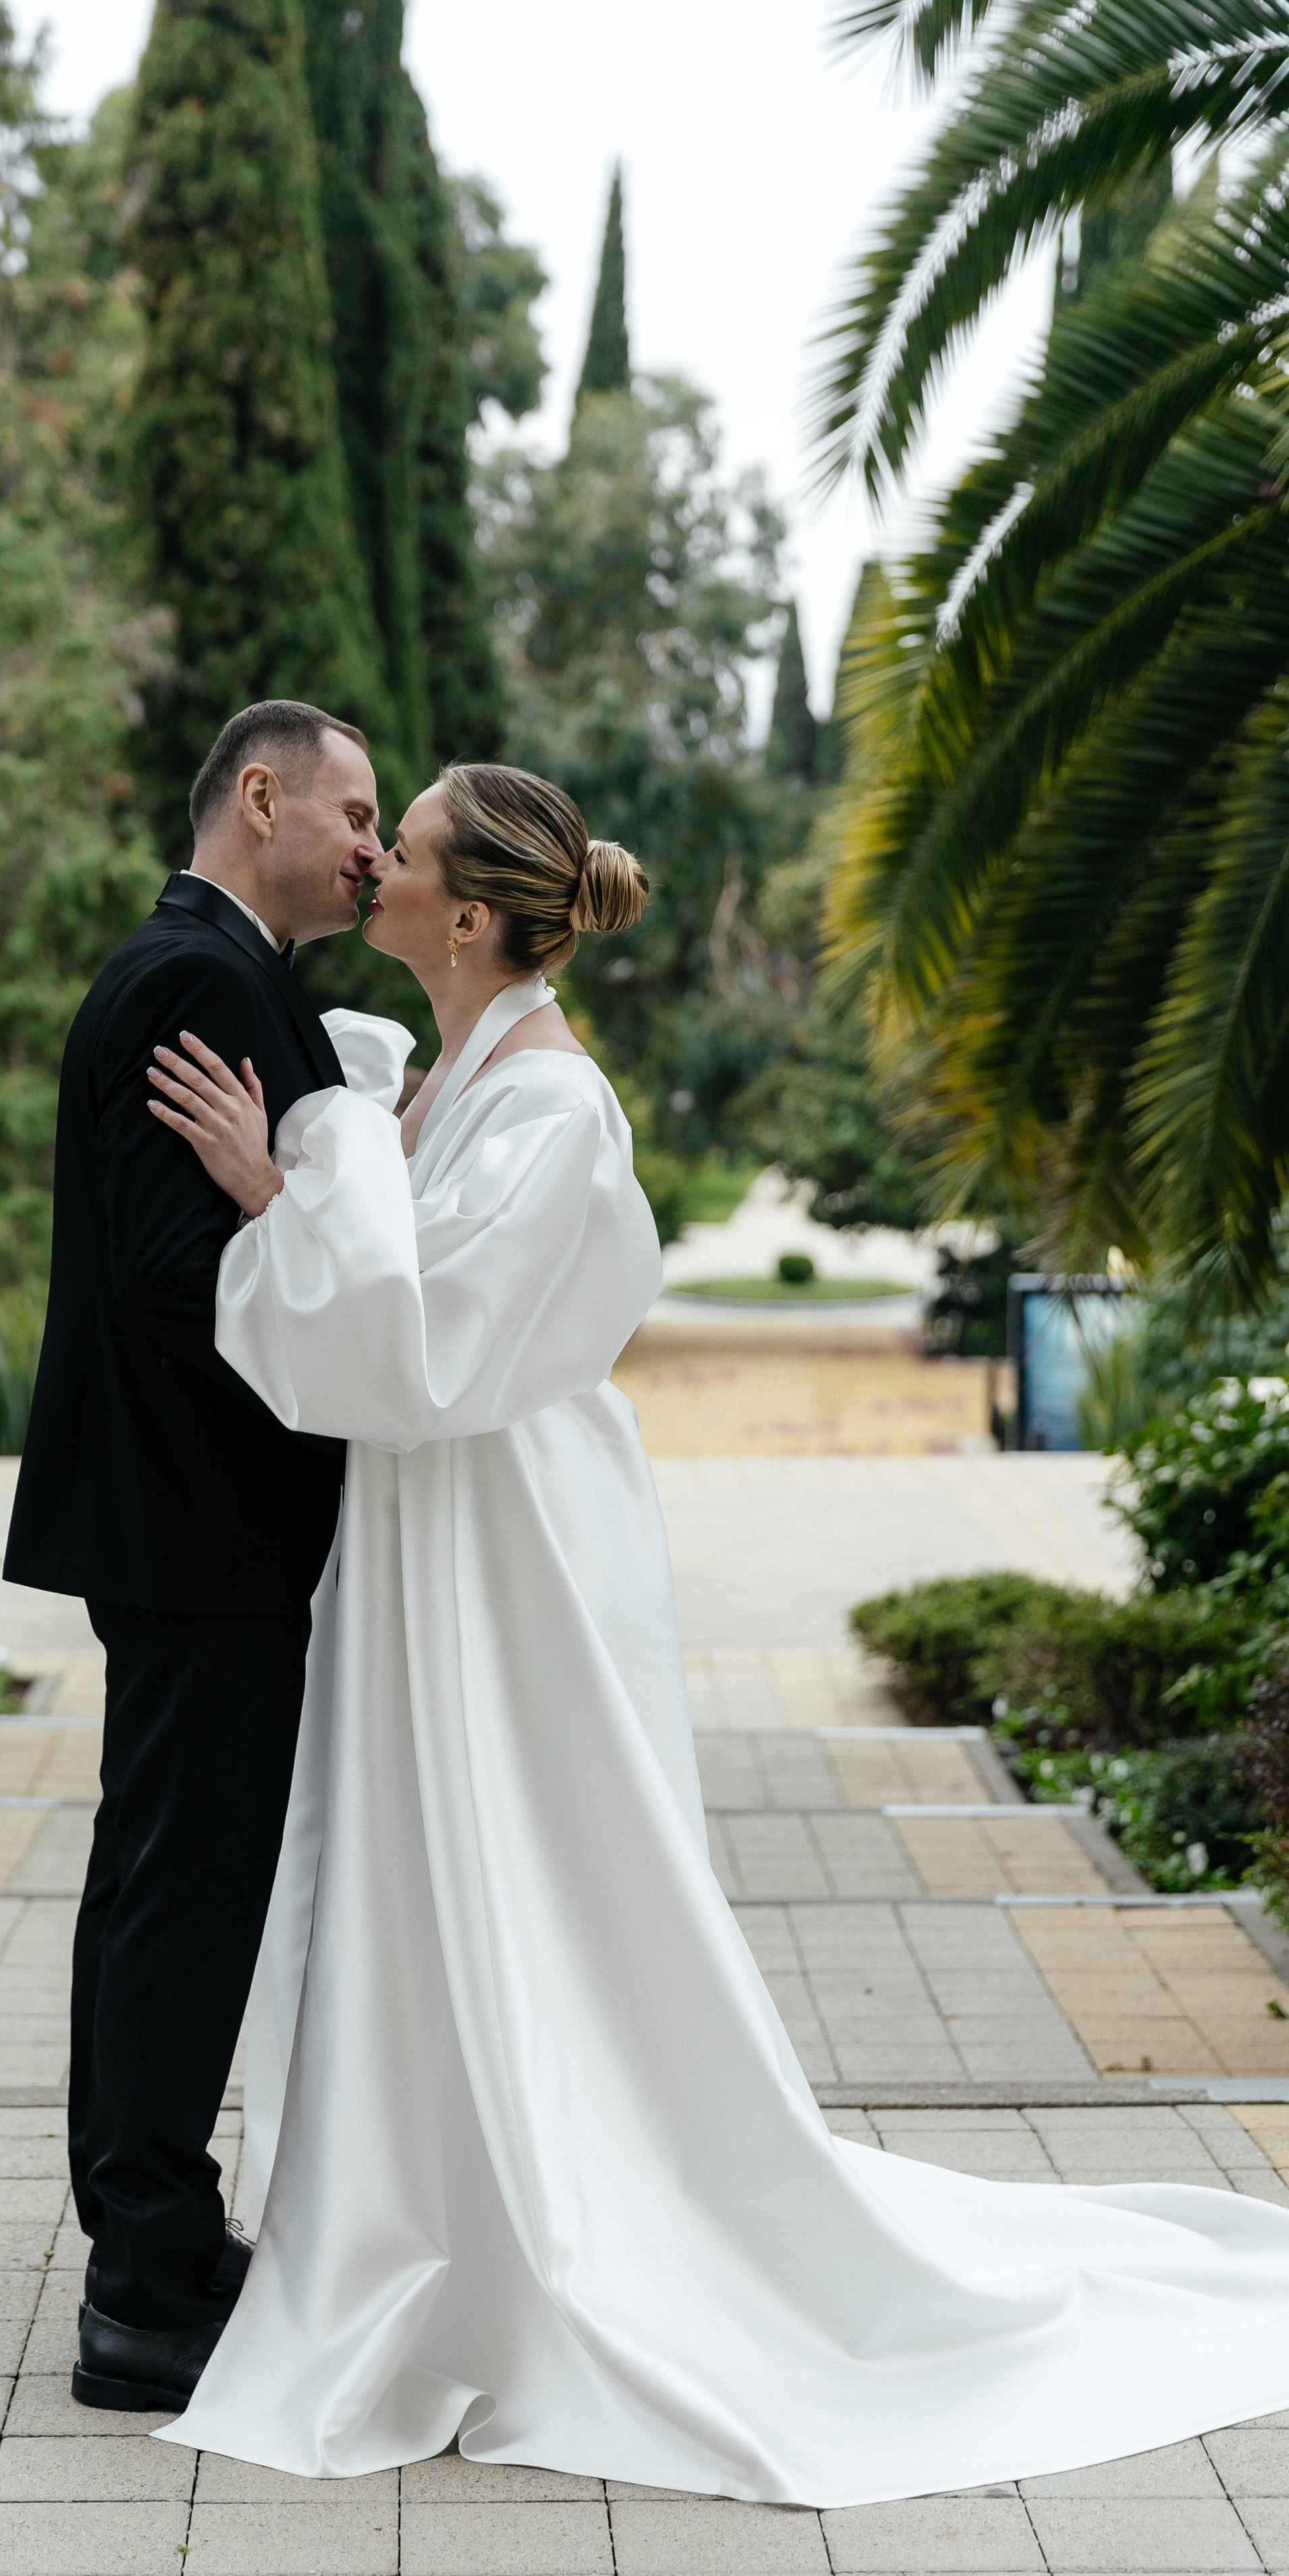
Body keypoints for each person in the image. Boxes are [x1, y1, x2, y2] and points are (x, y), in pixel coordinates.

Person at [140, 759, 1289, 2504]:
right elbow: (391, 1322)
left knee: (528, 1858)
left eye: (407, 840)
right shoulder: (455, 1070)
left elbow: (426, 1351)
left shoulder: (548, 1111)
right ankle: (432, 2190)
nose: (369, 857)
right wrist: (328, 1167)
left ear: (465, 916)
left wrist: (282, 1182)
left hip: (504, 1544)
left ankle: (540, 2216)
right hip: (436, 1529)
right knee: (435, 1868)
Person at [3, 699, 388, 2412]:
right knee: (179, 1892)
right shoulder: (197, 983)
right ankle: (147, 2283)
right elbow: (177, 1274)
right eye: (354, 811)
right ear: (261, 797)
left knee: (164, 1881)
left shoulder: (225, 974)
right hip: (197, 1522)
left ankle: (151, 2238)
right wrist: (289, 1210)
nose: (371, 847)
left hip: (182, 1524)